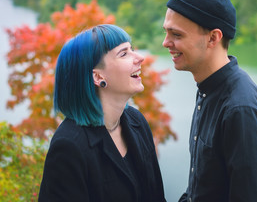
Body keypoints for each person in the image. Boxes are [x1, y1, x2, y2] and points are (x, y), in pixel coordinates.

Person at [162, 0, 257, 201]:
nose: (165, 43)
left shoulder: (241, 109)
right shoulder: (208, 90)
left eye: (176, 34)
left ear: (213, 38)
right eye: (166, 32)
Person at [39, 24, 166, 202]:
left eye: (132, 49)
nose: (140, 58)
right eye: (124, 53)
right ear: (98, 77)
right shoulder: (68, 146)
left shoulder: (137, 122)